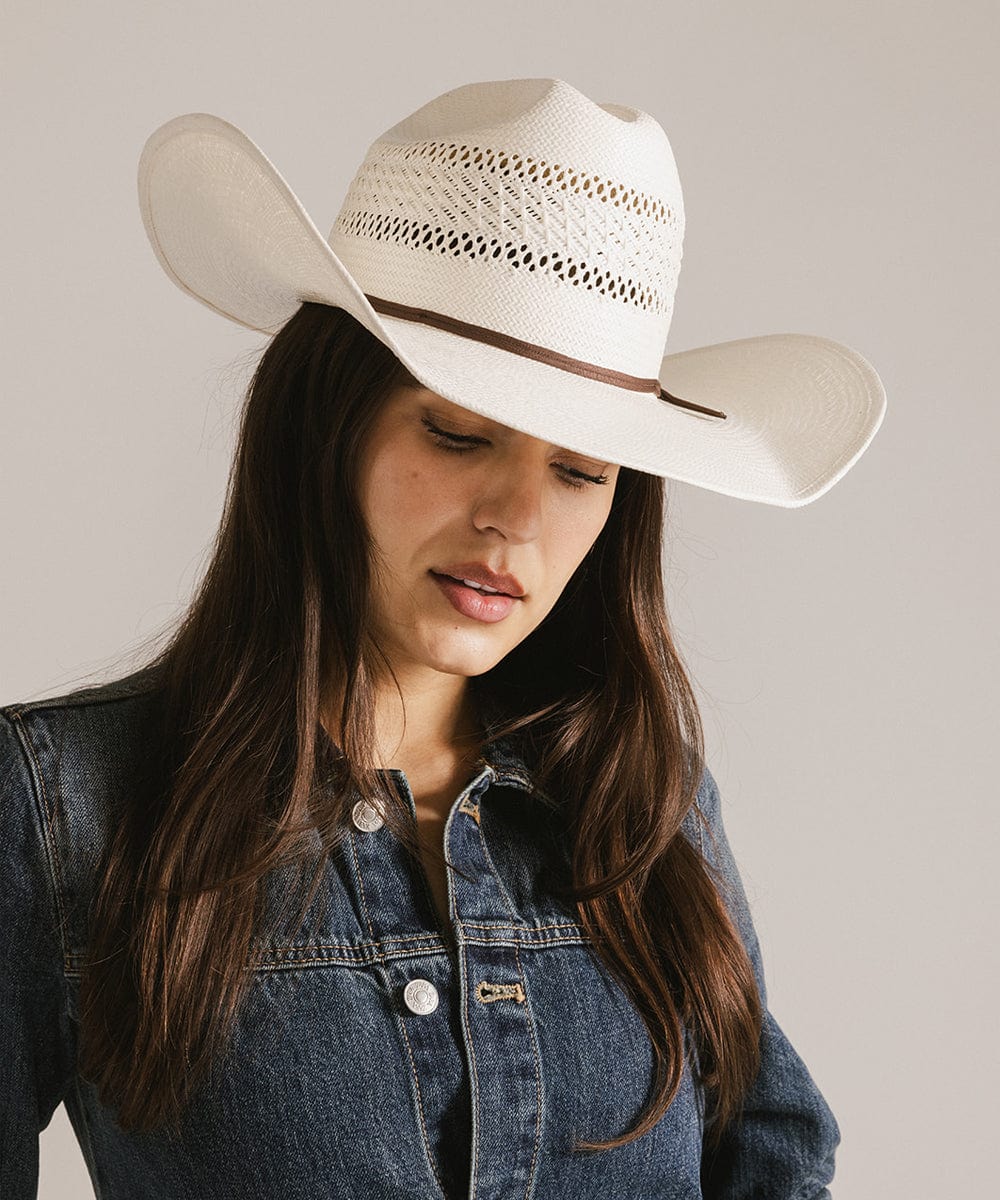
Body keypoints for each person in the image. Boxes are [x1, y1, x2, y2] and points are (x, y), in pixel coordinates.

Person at [0, 78, 885, 1199]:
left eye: (578, 471)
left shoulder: (640, 803)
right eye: (459, 435)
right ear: (325, 427)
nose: (516, 519)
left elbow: (771, 1156)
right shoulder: (64, 808)